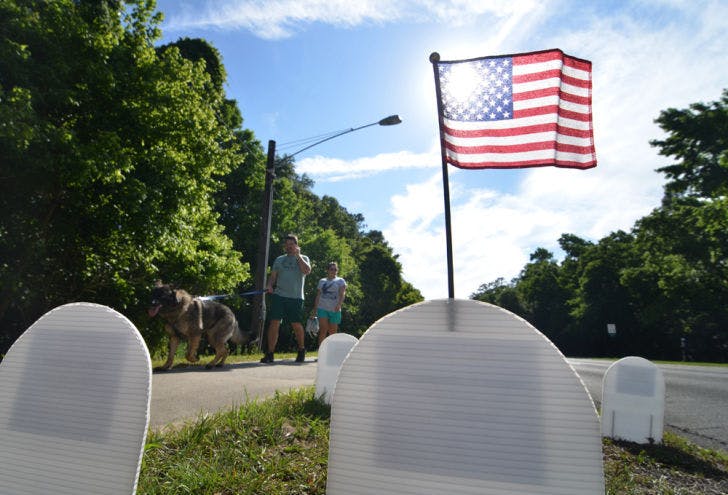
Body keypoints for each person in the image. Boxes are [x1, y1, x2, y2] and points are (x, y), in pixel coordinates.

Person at [260, 234, 311, 364]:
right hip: (279, 295)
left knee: (296, 324)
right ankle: (270, 353)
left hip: (296, 297)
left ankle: (301, 350)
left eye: (291, 245)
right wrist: (269, 285)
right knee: (274, 322)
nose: (289, 247)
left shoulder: (303, 258)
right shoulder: (279, 260)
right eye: (287, 245)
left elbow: (306, 271)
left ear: (296, 245)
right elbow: (273, 276)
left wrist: (298, 256)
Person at [312, 261, 347, 348]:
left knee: (332, 332)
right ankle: (321, 351)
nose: (334, 271)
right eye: (331, 269)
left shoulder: (340, 281)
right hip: (322, 308)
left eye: (335, 269)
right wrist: (315, 309)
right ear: (327, 270)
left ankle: (332, 351)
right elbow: (318, 295)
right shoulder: (322, 281)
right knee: (323, 329)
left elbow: (342, 294)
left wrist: (339, 304)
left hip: (335, 309)